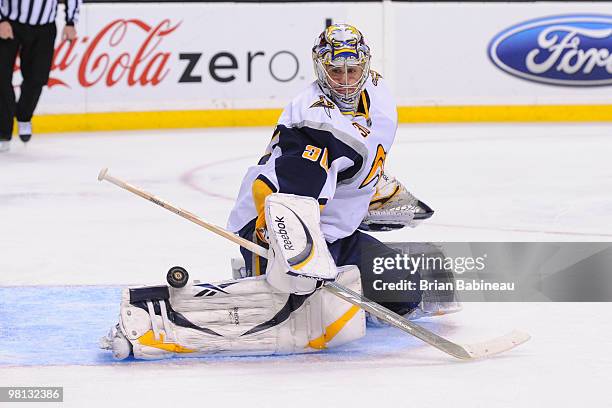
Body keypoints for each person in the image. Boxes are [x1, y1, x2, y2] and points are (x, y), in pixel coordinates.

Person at [100, 24, 454, 361]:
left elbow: (361, 158)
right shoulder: (315, 125)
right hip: (277, 227)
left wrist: (373, 190)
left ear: (366, 65)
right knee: (291, 313)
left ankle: (338, 283)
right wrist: (294, 258)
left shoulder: (377, 93)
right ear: (320, 68)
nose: (346, 81)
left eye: (352, 69)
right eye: (336, 72)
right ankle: (155, 316)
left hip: (336, 231)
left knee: (406, 292)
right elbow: (284, 202)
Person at [0, 0, 81, 152]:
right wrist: (1, 20)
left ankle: (24, 115)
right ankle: (3, 130)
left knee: (37, 78)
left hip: (44, 26)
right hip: (10, 21)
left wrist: (71, 21)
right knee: (1, 77)